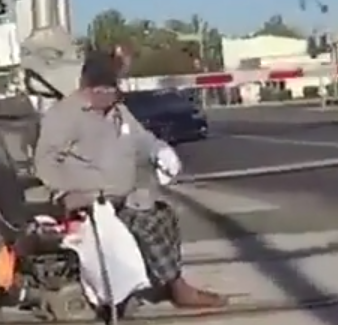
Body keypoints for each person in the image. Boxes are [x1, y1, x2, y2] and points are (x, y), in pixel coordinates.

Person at [33, 49, 227, 309]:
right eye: (114, 88)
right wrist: (66, 193)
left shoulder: (118, 112)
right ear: (97, 89)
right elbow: (45, 161)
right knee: (149, 224)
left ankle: (163, 281)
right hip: (90, 201)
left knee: (164, 215)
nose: (118, 94)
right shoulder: (65, 115)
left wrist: (160, 150)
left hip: (121, 196)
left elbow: (141, 137)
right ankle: (177, 289)